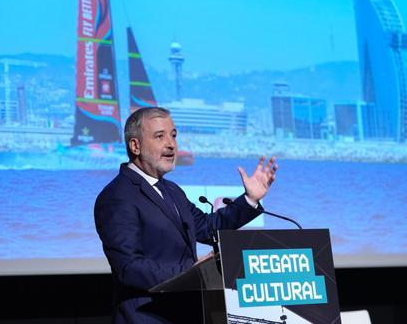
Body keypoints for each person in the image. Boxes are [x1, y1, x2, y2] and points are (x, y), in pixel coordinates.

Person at [94, 107, 278, 323]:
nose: (171, 144)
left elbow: (209, 228)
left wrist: (250, 199)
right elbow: (128, 267)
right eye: (160, 136)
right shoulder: (118, 196)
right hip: (147, 317)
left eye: (173, 135)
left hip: (185, 313)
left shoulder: (172, 191)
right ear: (135, 146)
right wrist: (190, 272)